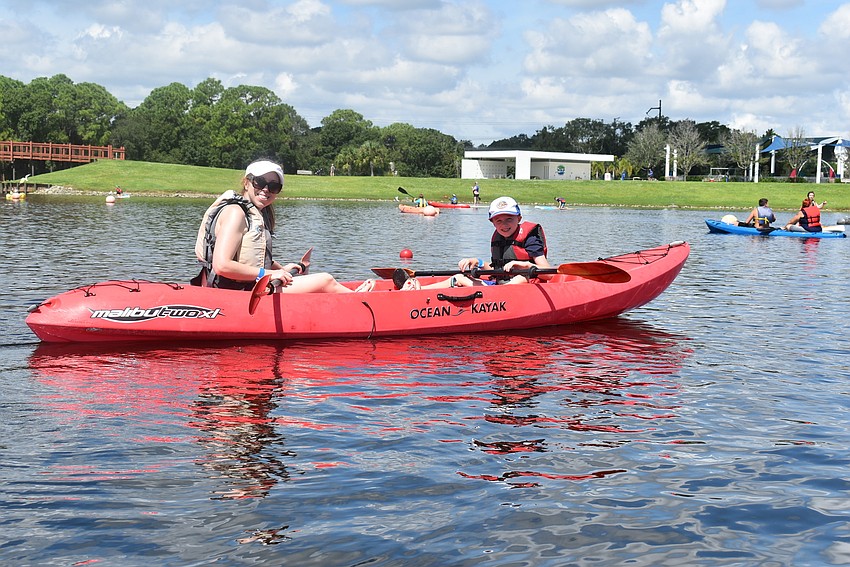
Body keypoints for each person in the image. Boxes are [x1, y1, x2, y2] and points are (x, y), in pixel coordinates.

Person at [193, 159, 374, 292]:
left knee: (320, 283)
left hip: (250, 288)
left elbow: (251, 256)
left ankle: (352, 297)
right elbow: (222, 265)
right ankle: (360, 301)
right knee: (325, 280)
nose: (266, 189)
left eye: (273, 186)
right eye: (260, 182)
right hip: (237, 294)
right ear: (247, 183)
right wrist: (268, 274)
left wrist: (280, 270)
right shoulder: (236, 213)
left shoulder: (255, 213)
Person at [398, 196, 551, 290]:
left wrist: (524, 265)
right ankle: (419, 290)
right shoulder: (498, 237)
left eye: (509, 219)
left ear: (519, 218)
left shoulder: (530, 239)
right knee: (459, 277)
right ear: (492, 222)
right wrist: (478, 263)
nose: (504, 225)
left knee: (520, 279)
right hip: (500, 285)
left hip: (527, 284)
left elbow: (548, 274)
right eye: (499, 221)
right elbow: (495, 270)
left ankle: (491, 296)